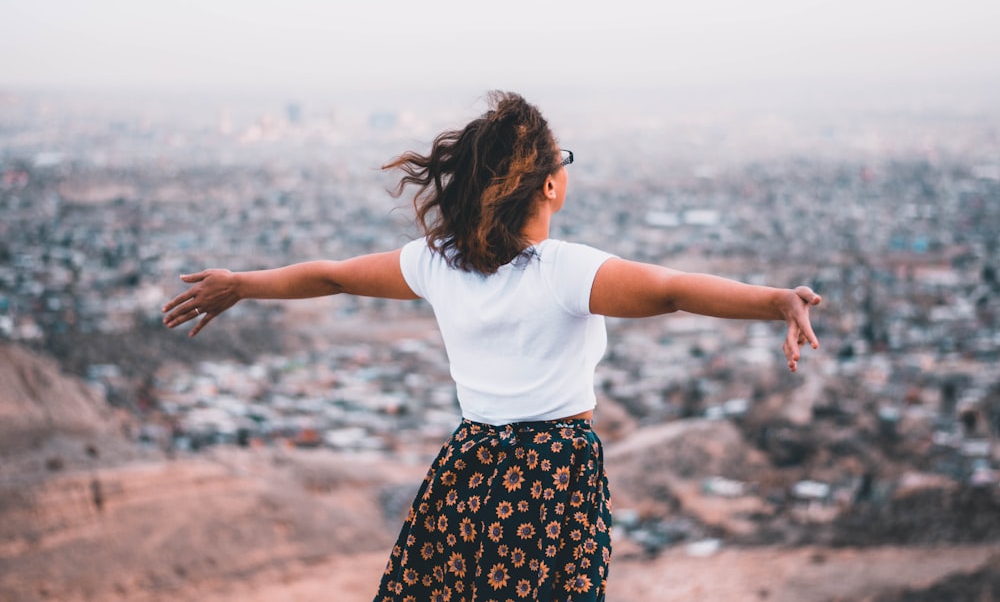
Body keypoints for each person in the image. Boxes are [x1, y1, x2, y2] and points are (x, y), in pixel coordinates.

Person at [162, 91, 821, 602]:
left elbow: (333, 273)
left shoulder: (436, 263)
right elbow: (673, 290)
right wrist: (773, 300)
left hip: (467, 469)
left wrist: (241, 284)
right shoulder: (563, 269)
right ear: (550, 184)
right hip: (553, 478)